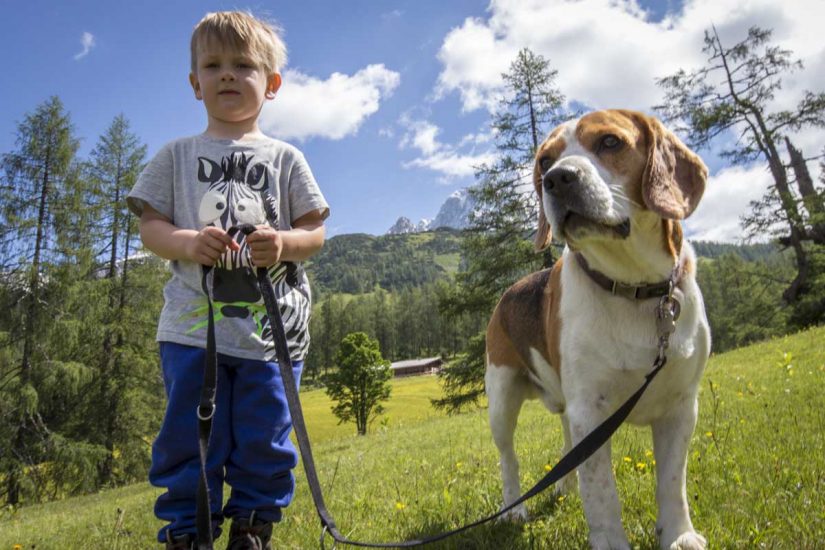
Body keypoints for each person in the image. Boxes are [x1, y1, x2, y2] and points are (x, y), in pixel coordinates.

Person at [127, 11, 329, 550]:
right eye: (212, 65)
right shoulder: (174, 156)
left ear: (272, 84)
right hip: (193, 332)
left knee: (265, 434)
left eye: (243, 65)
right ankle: (188, 531)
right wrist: (189, 242)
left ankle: (253, 526)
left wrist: (284, 242)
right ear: (195, 83)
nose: (227, 75)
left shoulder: (287, 159)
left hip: (272, 335)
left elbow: (316, 230)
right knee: (190, 438)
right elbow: (151, 224)